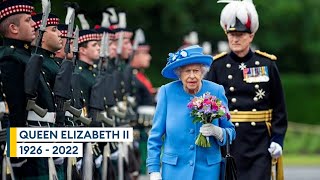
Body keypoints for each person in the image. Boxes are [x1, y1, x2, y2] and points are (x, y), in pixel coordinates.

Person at [206, 1, 288, 180]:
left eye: (240, 35)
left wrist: (277, 140)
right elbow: (207, 106)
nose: (235, 39)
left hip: (259, 143)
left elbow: (279, 109)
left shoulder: (267, 64)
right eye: (231, 34)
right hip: (228, 142)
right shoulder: (217, 66)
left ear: (251, 36)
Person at [147, 45, 236, 180]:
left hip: (208, 171)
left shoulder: (216, 91)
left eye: (196, 70)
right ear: (179, 73)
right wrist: (153, 169)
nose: (192, 76)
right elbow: (155, 136)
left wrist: (218, 132)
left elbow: (231, 132)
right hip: (174, 171)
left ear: (202, 72)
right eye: (187, 71)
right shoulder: (167, 92)